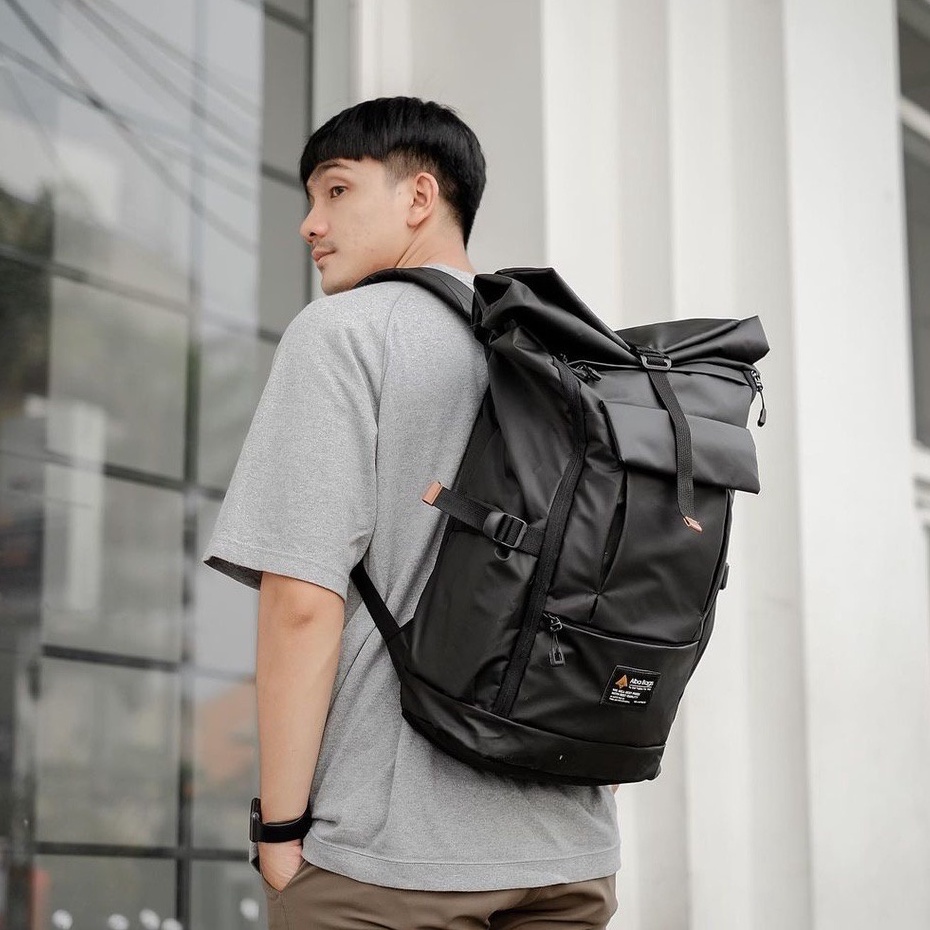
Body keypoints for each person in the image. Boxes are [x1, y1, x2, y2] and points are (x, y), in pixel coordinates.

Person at [202, 96, 620, 929]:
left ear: (419, 196)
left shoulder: (345, 334)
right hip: (572, 854)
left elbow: (300, 606)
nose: (310, 223)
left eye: (336, 190)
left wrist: (279, 832)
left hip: (390, 859)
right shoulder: (569, 354)